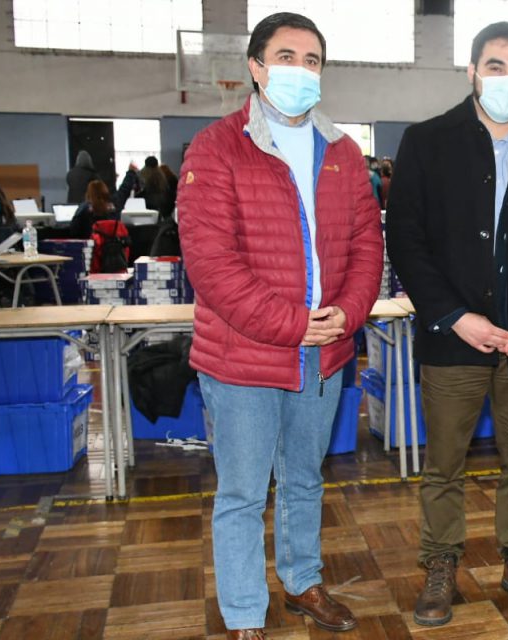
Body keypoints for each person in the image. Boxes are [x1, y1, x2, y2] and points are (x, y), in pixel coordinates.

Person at [176, 12, 384, 639]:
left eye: (313, 59)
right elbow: (211, 265)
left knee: (304, 479)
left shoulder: (343, 154)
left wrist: (346, 315)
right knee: (242, 492)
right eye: (287, 56)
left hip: (321, 356)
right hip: (245, 355)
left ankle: (302, 581)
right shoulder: (215, 149)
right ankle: (243, 613)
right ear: (256, 68)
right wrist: (297, 324)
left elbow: (367, 248)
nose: (300, 70)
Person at [385, 21, 508, 628]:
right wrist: (452, 315)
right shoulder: (426, 142)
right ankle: (441, 563)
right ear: (472, 70)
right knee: (444, 462)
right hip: (453, 338)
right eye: (496, 66)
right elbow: (406, 239)